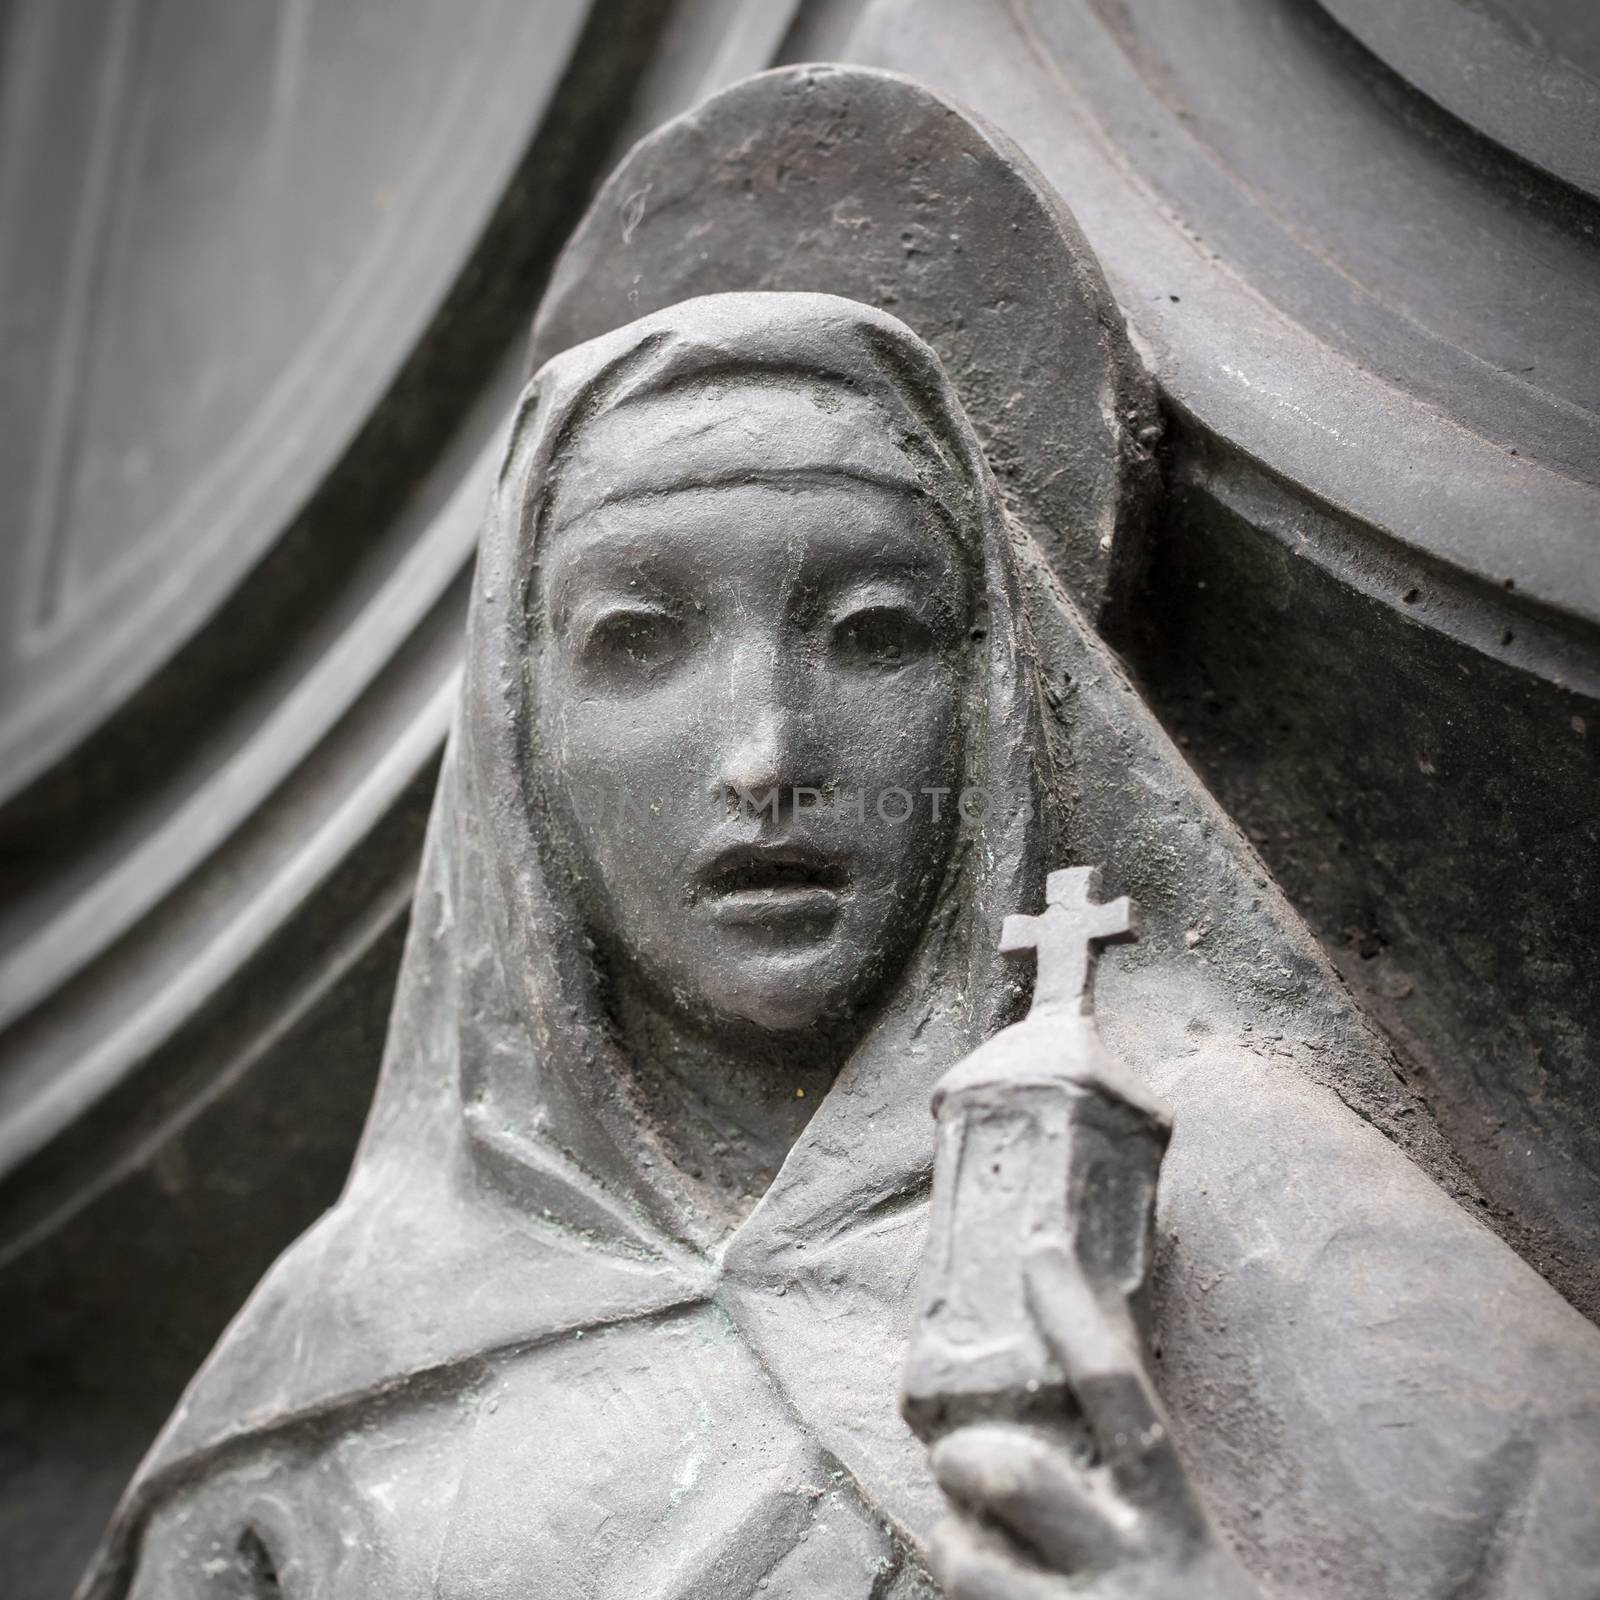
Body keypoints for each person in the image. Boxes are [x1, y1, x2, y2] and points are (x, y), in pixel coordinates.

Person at [81, 293, 1600, 1600]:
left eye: (874, 631)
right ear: (516, 735)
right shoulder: (329, 1384)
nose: (764, 753)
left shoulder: (1227, 1205)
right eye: (638, 641)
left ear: (996, 696)